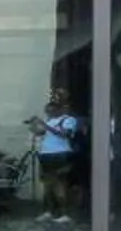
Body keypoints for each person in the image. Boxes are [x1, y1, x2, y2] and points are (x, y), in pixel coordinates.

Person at [30, 88, 85, 219]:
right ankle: (49, 211)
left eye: (50, 110)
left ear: (58, 109)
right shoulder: (49, 121)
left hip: (60, 154)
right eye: (47, 111)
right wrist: (34, 126)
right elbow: (42, 133)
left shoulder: (68, 120)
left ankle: (64, 213)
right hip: (46, 154)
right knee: (47, 185)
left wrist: (45, 125)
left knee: (60, 184)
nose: (48, 113)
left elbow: (64, 135)